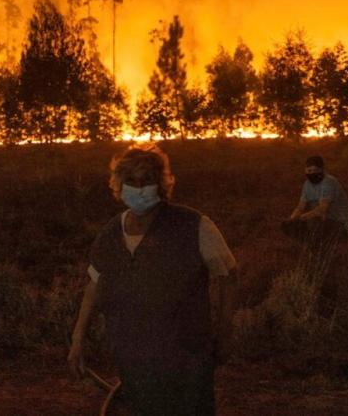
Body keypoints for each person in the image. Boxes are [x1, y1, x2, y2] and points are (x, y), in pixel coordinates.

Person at [68, 144, 237, 416]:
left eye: (147, 180)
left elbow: (228, 275)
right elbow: (94, 286)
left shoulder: (193, 225)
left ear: (160, 184)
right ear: (119, 185)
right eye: (131, 181)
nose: (139, 188)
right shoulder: (111, 233)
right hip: (132, 356)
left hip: (186, 358)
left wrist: (225, 332)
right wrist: (77, 340)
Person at [282, 155, 348, 249]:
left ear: (322, 170)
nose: (312, 173)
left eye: (315, 170)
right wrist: (292, 219)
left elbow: (322, 209)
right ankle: (312, 247)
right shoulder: (307, 184)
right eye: (309, 171)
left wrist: (303, 217)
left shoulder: (328, 182)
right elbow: (300, 207)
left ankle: (324, 246)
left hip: (339, 224)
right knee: (288, 226)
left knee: (313, 222)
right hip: (322, 221)